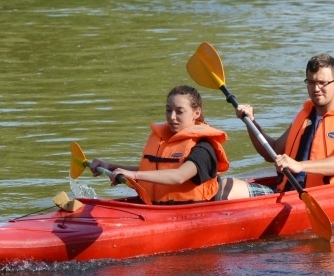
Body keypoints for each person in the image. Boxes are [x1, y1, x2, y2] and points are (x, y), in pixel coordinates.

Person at [88, 85, 266, 204]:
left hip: (228, 197)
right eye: (168, 110)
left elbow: (179, 176)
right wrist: (111, 166)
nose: (172, 117)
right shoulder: (164, 139)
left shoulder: (203, 147)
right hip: (167, 207)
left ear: (196, 113)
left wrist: (133, 174)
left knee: (279, 192)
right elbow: (156, 171)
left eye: (179, 111)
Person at [236, 53, 334, 190]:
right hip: (290, 191)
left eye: (322, 83)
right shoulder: (303, 117)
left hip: (330, 195)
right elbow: (271, 152)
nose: (316, 89)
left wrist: (299, 166)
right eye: (311, 82)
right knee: (227, 186)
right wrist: (251, 122)